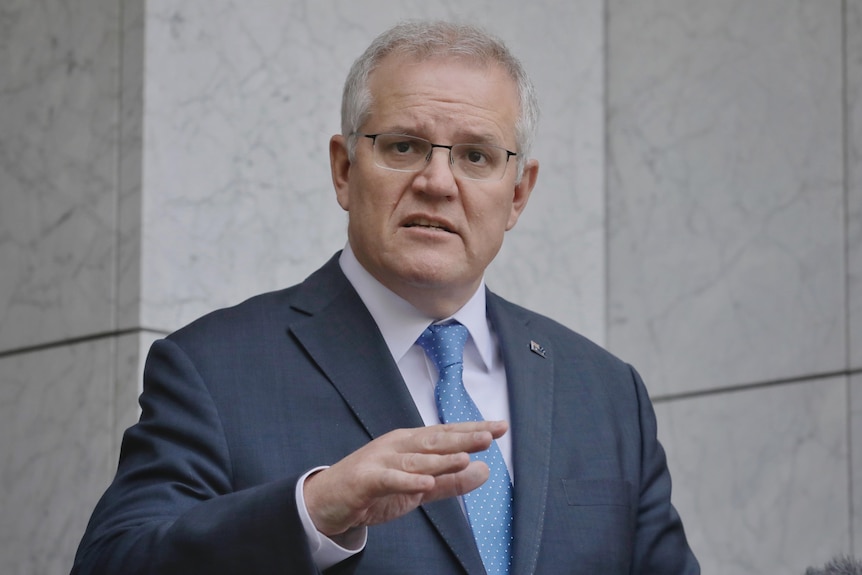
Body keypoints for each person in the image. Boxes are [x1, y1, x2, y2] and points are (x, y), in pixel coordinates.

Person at [71, 20, 700, 575]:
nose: (437, 182)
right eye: (404, 146)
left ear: (517, 195)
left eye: (476, 156)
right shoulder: (213, 368)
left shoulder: (607, 392)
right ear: (344, 170)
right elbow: (114, 560)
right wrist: (315, 510)